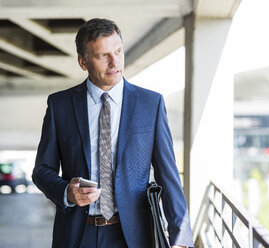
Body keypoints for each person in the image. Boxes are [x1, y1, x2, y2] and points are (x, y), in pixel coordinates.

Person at [32, 18, 193, 248]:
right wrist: (67, 192)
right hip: (77, 235)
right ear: (83, 62)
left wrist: (180, 237)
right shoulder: (60, 106)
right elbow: (41, 171)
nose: (114, 62)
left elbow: (168, 175)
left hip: (133, 236)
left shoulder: (151, 103)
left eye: (118, 51)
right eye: (102, 56)